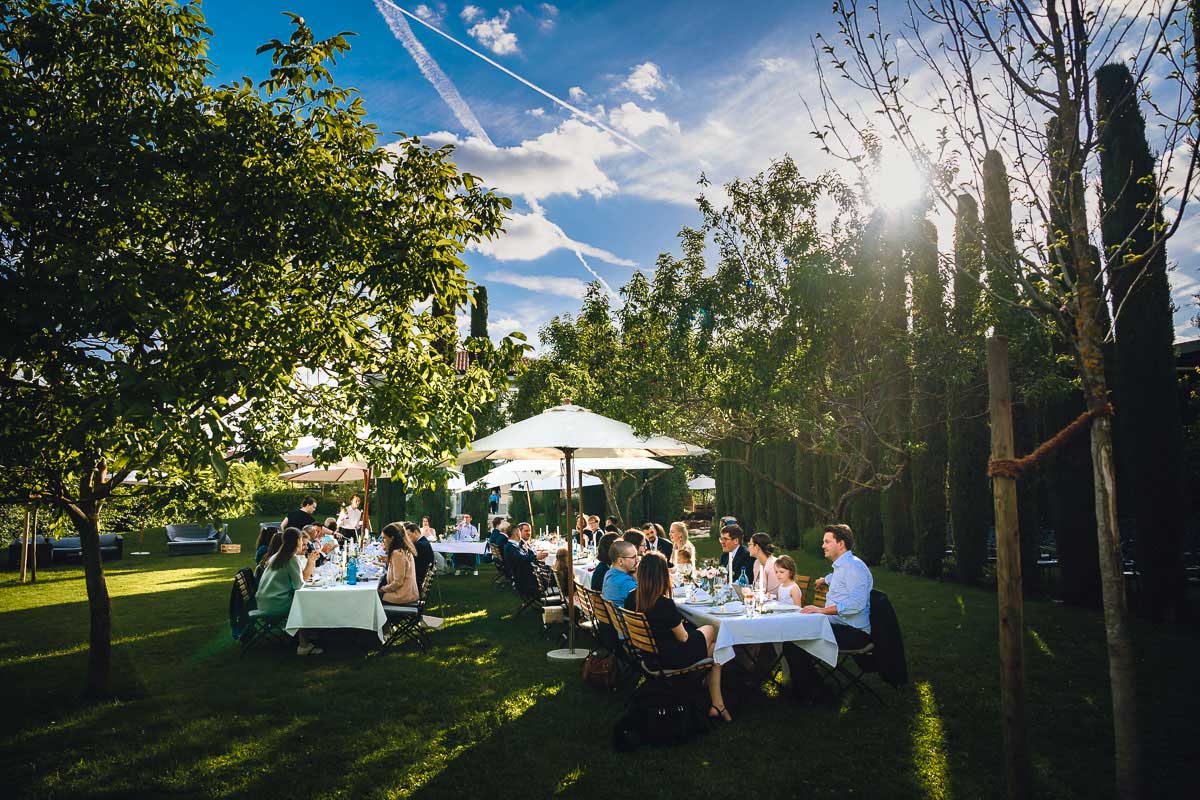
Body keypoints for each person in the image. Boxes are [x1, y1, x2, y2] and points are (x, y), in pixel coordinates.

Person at [624, 553, 729, 722]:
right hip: (670, 658)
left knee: (715, 647)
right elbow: (683, 638)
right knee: (711, 630)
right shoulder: (663, 604)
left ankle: (717, 704)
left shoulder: (631, 598)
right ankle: (715, 699)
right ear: (662, 575)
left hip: (648, 655)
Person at [788, 524, 874, 703]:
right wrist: (824, 579)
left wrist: (821, 610)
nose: (823, 545)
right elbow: (838, 578)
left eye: (827, 542)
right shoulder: (843, 566)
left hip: (854, 633)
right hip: (838, 626)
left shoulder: (854, 568)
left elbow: (856, 604)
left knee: (794, 642)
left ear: (840, 544)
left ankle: (816, 694)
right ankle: (807, 688)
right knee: (793, 635)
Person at [255, 527, 322, 655]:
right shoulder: (292, 558)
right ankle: (303, 645)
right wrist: (311, 563)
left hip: (263, 602)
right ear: (298, 541)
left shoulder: (276, 556)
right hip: (275, 604)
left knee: (303, 600)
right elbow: (299, 585)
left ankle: (310, 632)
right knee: (304, 603)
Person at [379, 522, 419, 605]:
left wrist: (383, 589)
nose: (382, 541)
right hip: (408, 592)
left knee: (372, 596)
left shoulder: (398, 554)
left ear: (392, 538)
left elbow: (398, 582)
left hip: (403, 595)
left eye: (384, 538)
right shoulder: (403, 550)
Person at [504, 522, 548, 593]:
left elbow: (522, 557)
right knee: (558, 576)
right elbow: (521, 559)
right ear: (517, 534)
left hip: (527, 577)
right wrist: (536, 557)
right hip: (527, 581)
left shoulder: (513, 545)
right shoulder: (510, 547)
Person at [601, 540, 638, 604]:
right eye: (633, 557)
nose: (637, 560)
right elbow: (644, 597)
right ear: (620, 561)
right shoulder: (625, 582)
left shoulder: (609, 573)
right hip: (622, 611)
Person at [406, 521, 435, 588]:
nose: (407, 538)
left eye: (408, 535)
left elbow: (410, 564)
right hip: (421, 576)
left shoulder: (419, 545)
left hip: (417, 580)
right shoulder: (424, 541)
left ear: (415, 532)